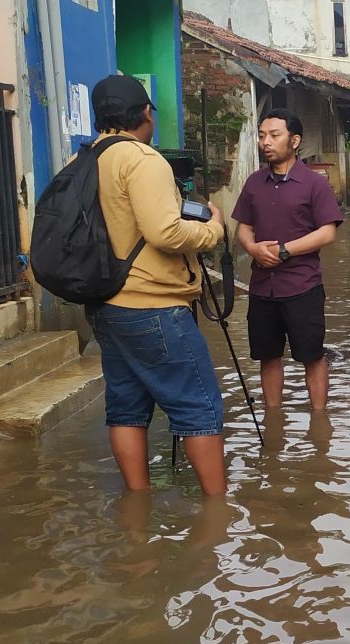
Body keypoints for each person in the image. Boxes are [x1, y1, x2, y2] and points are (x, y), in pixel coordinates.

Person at [85, 75, 228, 495]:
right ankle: (218, 514)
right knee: (199, 406)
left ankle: (137, 505)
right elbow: (166, 233)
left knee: (126, 408)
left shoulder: (88, 159)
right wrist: (213, 231)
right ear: (146, 113)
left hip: (107, 305)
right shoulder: (142, 159)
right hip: (153, 304)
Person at [232, 109, 343, 412]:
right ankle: (273, 417)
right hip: (262, 288)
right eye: (262, 135)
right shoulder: (254, 182)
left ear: (294, 141)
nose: (266, 142)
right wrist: (253, 249)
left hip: (302, 286)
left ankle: (320, 421)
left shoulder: (313, 184)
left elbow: (327, 232)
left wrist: (284, 250)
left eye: (274, 135)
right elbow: (243, 227)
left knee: (312, 355)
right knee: (268, 356)